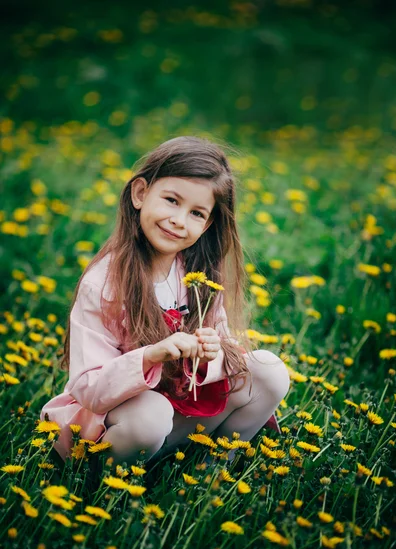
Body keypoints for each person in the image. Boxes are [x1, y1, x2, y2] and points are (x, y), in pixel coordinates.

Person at [40, 135, 290, 464]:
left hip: (179, 417)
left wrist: (211, 353)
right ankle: (103, 482)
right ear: (141, 193)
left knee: (270, 372)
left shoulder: (199, 277)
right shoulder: (104, 283)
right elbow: (89, 388)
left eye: (197, 213)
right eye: (172, 200)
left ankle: (209, 471)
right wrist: (149, 356)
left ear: (208, 224)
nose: (179, 220)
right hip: (118, 427)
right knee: (152, 412)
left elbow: (225, 347)